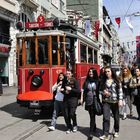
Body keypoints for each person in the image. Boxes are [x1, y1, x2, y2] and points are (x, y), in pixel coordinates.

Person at [99, 66, 123, 140]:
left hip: (115, 101)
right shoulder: (103, 81)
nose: (107, 73)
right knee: (106, 118)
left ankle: (116, 130)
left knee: (116, 117)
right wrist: (104, 92)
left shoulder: (116, 80)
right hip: (106, 101)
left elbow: (120, 91)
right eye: (105, 72)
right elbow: (99, 90)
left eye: (108, 71)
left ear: (111, 72)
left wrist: (120, 100)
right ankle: (105, 134)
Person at [80, 68, 100, 138]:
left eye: (92, 72)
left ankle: (90, 133)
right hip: (88, 101)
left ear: (94, 73)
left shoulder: (98, 81)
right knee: (91, 116)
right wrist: (82, 99)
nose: (90, 73)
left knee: (92, 116)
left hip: (95, 101)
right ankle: (94, 127)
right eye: (89, 72)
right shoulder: (86, 81)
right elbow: (82, 90)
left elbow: (100, 90)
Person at [62, 69, 80, 134]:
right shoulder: (64, 80)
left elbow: (78, 90)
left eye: (69, 74)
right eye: (67, 74)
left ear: (71, 74)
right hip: (66, 99)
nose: (68, 75)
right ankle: (69, 127)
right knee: (66, 115)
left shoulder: (75, 80)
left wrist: (71, 89)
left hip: (73, 99)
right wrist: (64, 91)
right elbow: (62, 89)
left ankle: (74, 125)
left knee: (72, 113)